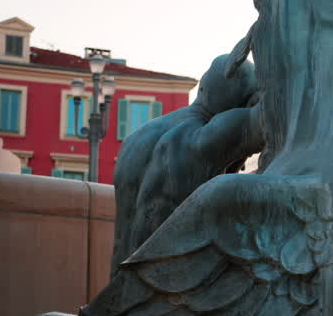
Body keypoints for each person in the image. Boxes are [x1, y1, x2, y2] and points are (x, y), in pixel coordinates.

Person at [109, 49, 264, 275]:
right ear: (236, 108)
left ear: (202, 88)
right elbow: (269, 119)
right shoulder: (201, 140)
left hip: (120, 279)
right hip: (163, 287)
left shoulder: (137, 138)